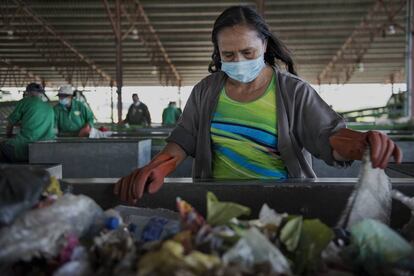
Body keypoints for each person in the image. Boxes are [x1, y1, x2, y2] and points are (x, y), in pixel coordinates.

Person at [114, 6, 402, 203]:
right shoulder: (205, 91)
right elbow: (184, 139)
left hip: (283, 204)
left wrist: (360, 142)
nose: (238, 61)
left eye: (247, 51)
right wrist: (157, 167)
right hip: (216, 204)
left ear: (264, 45)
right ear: (218, 53)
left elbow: (327, 135)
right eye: (228, 54)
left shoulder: (292, 91)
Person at [0, 83, 55, 162]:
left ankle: (9, 171)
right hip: (46, 145)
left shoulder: (25, 102)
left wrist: (8, 136)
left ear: (28, 92)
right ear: (41, 94)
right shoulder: (49, 107)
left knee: (3, 146)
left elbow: (11, 122)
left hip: (26, 143)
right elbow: (36, 122)